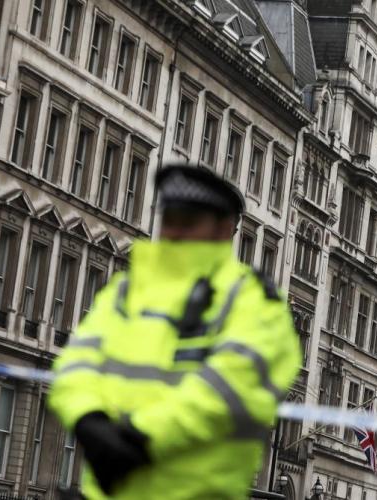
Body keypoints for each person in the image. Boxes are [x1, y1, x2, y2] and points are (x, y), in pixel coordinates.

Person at [48, 164, 302, 499]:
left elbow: (227, 391)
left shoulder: (255, 303)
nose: (175, 233)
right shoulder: (129, 290)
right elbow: (76, 363)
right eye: (170, 220)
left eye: (189, 222)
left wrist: (138, 439)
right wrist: (88, 420)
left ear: (224, 230)